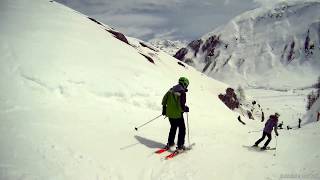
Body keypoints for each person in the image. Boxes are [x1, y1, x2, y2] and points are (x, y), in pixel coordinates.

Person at [162, 77, 189, 152]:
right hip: (177, 115)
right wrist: (185, 109)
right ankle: (180, 146)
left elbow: (164, 99)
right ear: (184, 84)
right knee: (182, 129)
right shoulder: (182, 93)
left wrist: (164, 109)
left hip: (169, 114)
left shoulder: (171, 89)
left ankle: (170, 143)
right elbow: (181, 106)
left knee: (173, 127)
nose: (186, 86)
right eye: (186, 85)